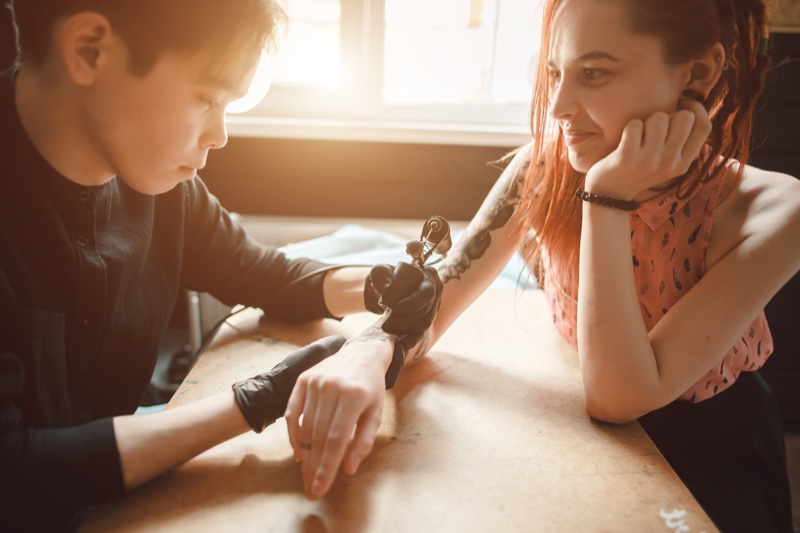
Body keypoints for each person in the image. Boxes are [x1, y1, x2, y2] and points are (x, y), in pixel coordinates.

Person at [0, 1, 440, 531]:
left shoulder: (158, 186)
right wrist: (261, 398)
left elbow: (258, 271)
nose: (220, 136)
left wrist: (377, 287)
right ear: (89, 50)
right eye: (206, 97)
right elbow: (16, 474)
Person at [387, 0, 798, 531]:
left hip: (710, 468)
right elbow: (431, 308)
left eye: (594, 72)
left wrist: (606, 195)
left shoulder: (772, 210)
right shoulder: (541, 168)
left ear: (697, 72)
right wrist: (366, 353)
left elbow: (617, 397)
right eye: (555, 72)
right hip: (578, 440)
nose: (557, 106)